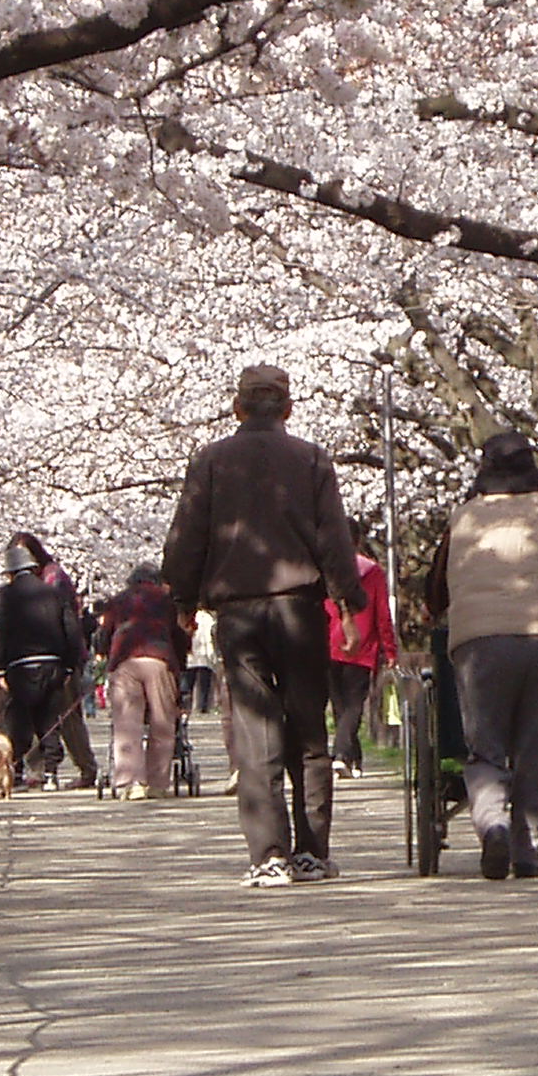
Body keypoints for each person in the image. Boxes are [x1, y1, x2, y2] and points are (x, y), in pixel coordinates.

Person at [162, 363, 368, 888]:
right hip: (299, 607)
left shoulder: (210, 460)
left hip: (239, 613)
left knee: (257, 732)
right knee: (308, 727)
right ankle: (312, 852)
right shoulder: (311, 458)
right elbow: (335, 539)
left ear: (237, 408)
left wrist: (183, 601)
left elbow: (187, 536)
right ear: (289, 409)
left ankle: (268, 855)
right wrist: (346, 603)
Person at [426, 431, 538, 881]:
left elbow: (434, 591)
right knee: (536, 742)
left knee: (485, 746)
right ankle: (527, 845)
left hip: (478, 642)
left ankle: (492, 823)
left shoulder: (462, 518)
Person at [0, 537, 91, 787]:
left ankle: (17, 770)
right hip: (52, 664)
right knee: (50, 718)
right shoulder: (52, 592)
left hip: (20, 666)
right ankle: (50, 773)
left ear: (11, 572)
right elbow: (70, 627)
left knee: (19, 718)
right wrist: (69, 664)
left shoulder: (5, 596)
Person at [96, 563, 190, 799]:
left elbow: (104, 635)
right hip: (159, 659)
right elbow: (178, 636)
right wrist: (179, 666)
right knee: (162, 722)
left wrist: (105, 654)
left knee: (127, 724)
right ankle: (158, 783)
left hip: (125, 660)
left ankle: (131, 783)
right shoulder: (165, 600)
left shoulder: (117, 601)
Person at [325, 531, 398, 777]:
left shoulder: (326, 568)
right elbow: (381, 613)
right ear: (358, 541)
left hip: (330, 642)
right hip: (364, 646)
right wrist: (390, 649)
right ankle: (344, 756)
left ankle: (349, 758)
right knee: (353, 705)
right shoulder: (373, 572)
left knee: (340, 705)